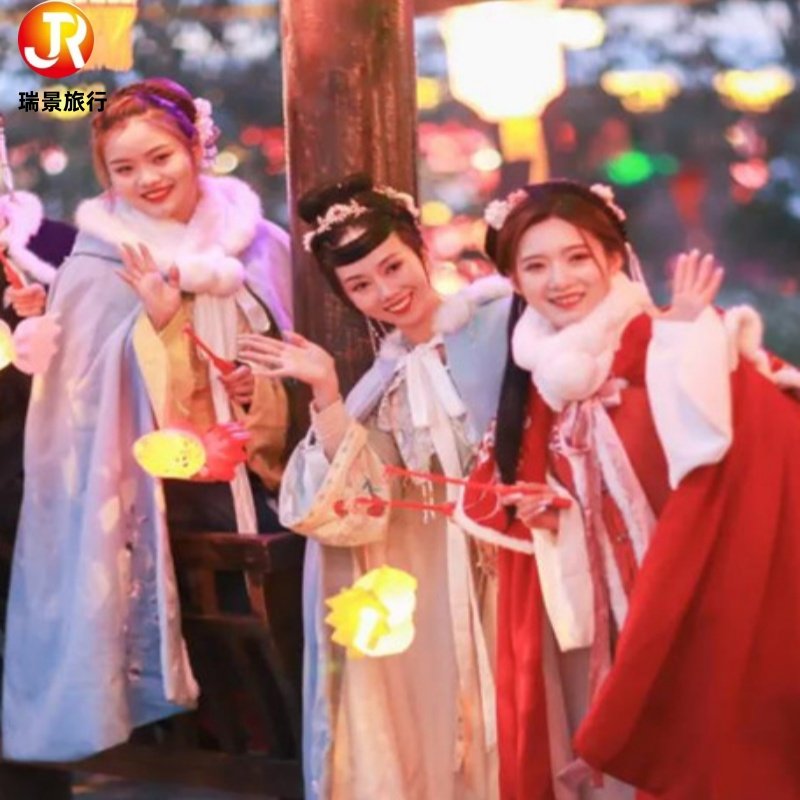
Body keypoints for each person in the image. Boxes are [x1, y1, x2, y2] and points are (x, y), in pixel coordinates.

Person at [457, 179, 800, 800]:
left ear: (615, 257)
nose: (560, 280)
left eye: (577, 257)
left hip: (704, 601)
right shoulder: (545, 385)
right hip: (623, 621)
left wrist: (687, 341)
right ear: (513, 281)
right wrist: (558, 513)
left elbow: (730, 460)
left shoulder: (669, 340)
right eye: (536, 266)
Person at [3, 77, 293, 762]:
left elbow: (301, 346)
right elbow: (76, 399)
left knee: (284, 665)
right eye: (125, 168)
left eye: (161, 157)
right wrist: (156, 333)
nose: (148, 179)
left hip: (268, 483)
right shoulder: (97, 260)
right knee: (212, 682)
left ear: (195, 147)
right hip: (156, 497)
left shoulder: (262, 244)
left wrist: (261, 384)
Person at [238, 173, 510, 799]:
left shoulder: (496, 324)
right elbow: (360, 500)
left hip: (514, 569)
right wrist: (326, 393)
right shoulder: (385, 381)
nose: (387, 291)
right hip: (437, 585)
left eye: (393, 266)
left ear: (421, 249)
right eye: (361, 285)